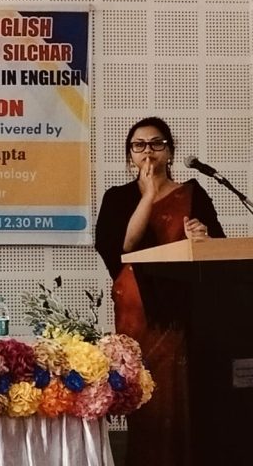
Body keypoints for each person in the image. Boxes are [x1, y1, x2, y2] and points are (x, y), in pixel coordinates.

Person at [94, 116, 224, 466]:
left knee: (184, 399)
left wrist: (202, 239)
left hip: (184, 313)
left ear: (169, 152)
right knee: (146, 398)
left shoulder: (192, 194)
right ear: (130, 155)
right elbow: (121, 247)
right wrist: (149, 194)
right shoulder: (118, 197)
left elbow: (218, 252)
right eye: (139, 145)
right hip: (138, 314)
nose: (148, 151)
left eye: (156, 143)